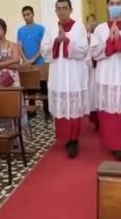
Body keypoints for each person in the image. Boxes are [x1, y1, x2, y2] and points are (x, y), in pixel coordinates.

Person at [90, 0, 121, 159]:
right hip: (105, 75)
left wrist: (120, 40)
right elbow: (94, 53)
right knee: (108, 112)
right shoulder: (99, 29)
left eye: (118, 2)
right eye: (111, 3)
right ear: (107, 6)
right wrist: (109, 43)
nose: (115, 6)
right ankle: (112, 144)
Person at [41, 0, 89, 158]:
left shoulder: (79, 27)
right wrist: (56, 40)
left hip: (74, 73)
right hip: (58, 73)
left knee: (74, 107)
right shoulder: (51, 28)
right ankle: (64, 138)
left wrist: (67, 41)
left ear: (70, 9)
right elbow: (44, 51)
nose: (61, 11)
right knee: (62, 105)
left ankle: (74, 140)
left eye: (64, 8)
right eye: (59, 9)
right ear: (55, 11)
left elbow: (83, 50)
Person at [17, 5, 49, 118]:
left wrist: (33, 59)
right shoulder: (20, 31)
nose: (26, 17)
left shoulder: (40, 28)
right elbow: (19, 47)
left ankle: (47, 111)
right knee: (30, 87)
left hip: (39, 62)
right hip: (27, 63)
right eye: (24, 15)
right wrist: (26, 60)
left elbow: (42, 46)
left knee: (43, 86)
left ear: (33, 14)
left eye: (28, 14)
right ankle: (32, 111)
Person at [86, 14, 99, 131]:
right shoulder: (86, 36)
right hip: (91, 70)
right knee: (92, 94)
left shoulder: (100, 34)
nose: (92, 23)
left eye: (94, 21)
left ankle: (101, 119)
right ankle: (95, 120)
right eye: (90, 21)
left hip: (100, 69)